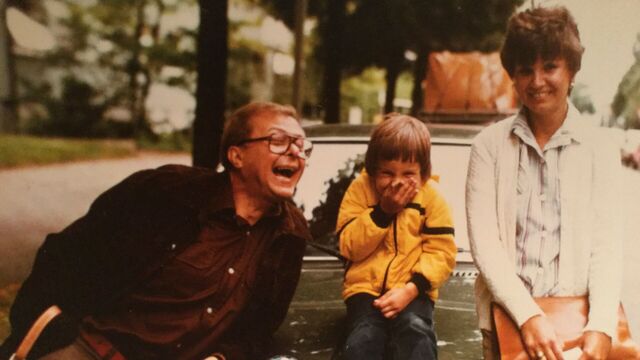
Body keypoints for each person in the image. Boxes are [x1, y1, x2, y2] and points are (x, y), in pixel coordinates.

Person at [0, 101, 313, 360]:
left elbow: (259, 329)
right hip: (92, 351)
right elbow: (67, 254)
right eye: (279, 140)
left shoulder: (290, 235)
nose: (296, 153)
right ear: (236, 155)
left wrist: (223, 358)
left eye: (301, 145)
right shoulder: (167, 191)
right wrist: (49, 328)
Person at [466, 6, 623, 360]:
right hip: (508, 324)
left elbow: (607, 247)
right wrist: (528, 317)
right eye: (525, 70)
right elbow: (485, 244)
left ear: (571, 71)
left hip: (577, 331)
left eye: (549, 66)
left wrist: (601, 326)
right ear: (513, 75)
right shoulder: (487, 147)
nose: (537, 81)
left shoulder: (600, 148)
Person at [336, 114, 457, 360]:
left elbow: (441, 252)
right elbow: (349, 246)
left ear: (423, 173)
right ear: (372, 169)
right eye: (387, 173)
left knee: (416, 330)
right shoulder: (360, 190)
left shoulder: (432, 198)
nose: (398, 183)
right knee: (364, 337)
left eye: (408, 173)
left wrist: (412, 289)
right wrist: (383, 212)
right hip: (364, 289)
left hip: (413, 290)